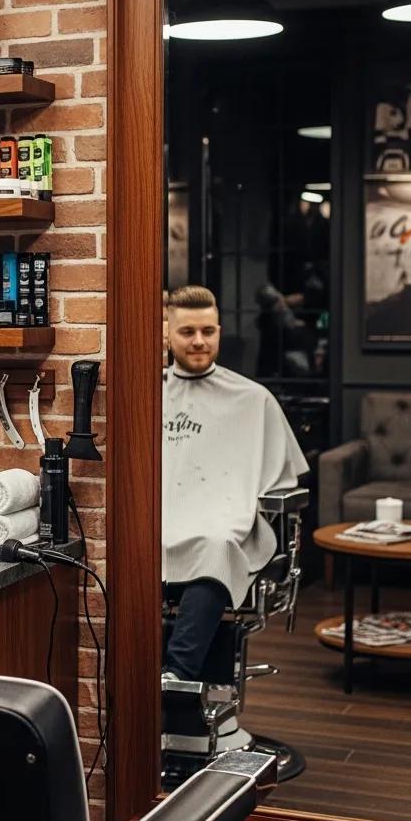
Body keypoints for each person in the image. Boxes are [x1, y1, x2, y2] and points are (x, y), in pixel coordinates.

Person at [162, 286, 307, 681]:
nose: (199, 341)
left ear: (219, 333)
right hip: (161, 519)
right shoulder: (147, 395)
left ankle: (177, 674)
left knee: (218, 546)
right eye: (187, 331)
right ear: (167, 335)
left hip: (225, 524)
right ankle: (132, 669)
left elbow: (283, 476)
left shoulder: (253, 399)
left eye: (208, 331)